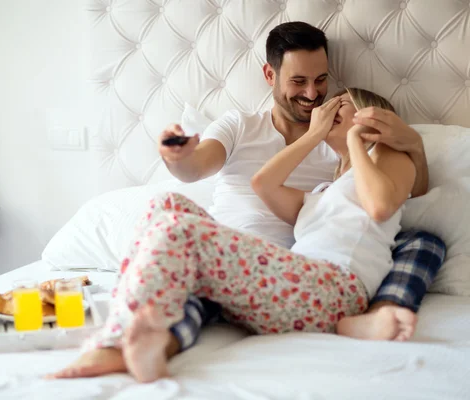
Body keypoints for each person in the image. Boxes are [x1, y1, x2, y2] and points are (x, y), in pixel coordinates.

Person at [48, 21, 445, 381]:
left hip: (297, 273)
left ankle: (115, 345)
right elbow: (241, 178)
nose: (314, 98)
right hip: (245, 260)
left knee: (423, 240)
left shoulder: (356, 162)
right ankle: (140, 335)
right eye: (300, 81)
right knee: (164, 206)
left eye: (322, 84)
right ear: (270, 75)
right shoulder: (261, 140)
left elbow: (399, 197)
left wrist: (406, 143)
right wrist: (179, 157)